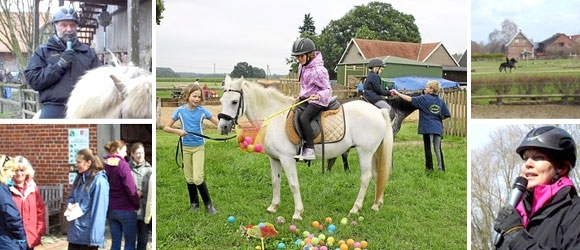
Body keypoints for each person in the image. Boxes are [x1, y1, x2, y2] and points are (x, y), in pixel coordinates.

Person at [493, 126, 580, 249]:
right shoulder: (516, 215)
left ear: (562, 168)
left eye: (538, 157)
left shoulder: (575, 212)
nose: (528, 164)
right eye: (525, 158)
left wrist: (516, 236)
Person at [24, 6, 101, 118]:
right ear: (55, 26)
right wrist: (59, 65)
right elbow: (34, 80)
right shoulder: (43, 51)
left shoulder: (88, 53)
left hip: (84, 107)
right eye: (64, 25)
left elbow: (100, 80)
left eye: (72, 25)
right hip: (54, 107)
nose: (69, 29)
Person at [163, 84, 219, 214]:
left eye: (199, 97)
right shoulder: (180, 111)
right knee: (189, 178)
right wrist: (178, 131)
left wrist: (229, 128)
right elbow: (166, 127)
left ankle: (209, 205)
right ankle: (194, 204)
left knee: (198, 178)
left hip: (198, 147)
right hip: (186, 148)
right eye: (194, 96)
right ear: (187, 96)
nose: (197, 99)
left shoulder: (203, 111)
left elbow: (218, 124)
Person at [391, 80, 451, 171]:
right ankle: (441, 168)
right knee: (438, 148)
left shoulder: (423, 99)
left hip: (427, 128)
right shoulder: (440, 101)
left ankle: (429, 169)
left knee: (428, 148)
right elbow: (447, 115)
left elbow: (409, 99)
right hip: (438, 128)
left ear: (431, 90)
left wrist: (397, 93)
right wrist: (437, 118)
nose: (425, 88)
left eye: (427, 87)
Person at [290, 37, 332, 160]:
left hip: (318, 100)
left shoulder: (319, 70)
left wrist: (318, 96)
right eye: (296, 57)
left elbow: (328, 90)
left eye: (301, 56)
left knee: (304, 118)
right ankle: (300, 144)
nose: (298, 59)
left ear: (310, 55)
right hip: (307, 98)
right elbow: (305, 86)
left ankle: (310, 150)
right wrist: (300, 96)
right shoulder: (302, 66)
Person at [66, 149, 109, 250]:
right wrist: (70, 205)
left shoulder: (99, 182)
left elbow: (99, 212)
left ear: (89, 163)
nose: (76, 164)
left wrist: (94, 239)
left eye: (79, 162)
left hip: (88, 237)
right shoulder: (79, 178)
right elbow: (71, 196)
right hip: (75, 235)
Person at [103, 140, 140, 250]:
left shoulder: (105, 165)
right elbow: (130, 188)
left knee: (115, 242)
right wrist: (136, 204)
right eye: (124, 151)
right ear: (118, 150)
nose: (125, 154)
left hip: (111, 209)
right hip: (126, 209)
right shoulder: (123, 165)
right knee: (129, 243)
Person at [9, 156, 46, 250]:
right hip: (12, 239)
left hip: (30, 237)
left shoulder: (32, 188)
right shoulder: (7, 189)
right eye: (16, 170)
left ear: (27, 171)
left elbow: (40, 211)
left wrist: (39, 231)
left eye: (22, 170)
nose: (19, 173)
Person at [0, 155, 28, 250]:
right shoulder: (2, 190)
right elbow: (11, 216)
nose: (13, 174)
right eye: (11, 170)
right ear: (3, 170)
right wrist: (22, 238)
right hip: (6, 241)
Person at [128, 143, 152, 250]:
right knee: (130, 240)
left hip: (144, 211)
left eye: (142, 153)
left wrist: (143, 193)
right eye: (137, 153)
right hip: (130, 211)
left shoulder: (149, 169)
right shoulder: (126, 169)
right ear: (132, 154)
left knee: (143, 241)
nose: (140, 155)